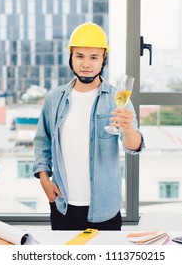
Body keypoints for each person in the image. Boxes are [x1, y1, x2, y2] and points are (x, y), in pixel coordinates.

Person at [33, 22, 144, 231]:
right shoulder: (54, 98)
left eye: (93, 57)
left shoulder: (116, 98)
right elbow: (42, 141)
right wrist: (44, 180)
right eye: (80, 56)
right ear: (71, 58)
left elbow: (134, 148)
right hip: (63, 204)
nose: (86, 64)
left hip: (104, 209)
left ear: (103, 60)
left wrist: (128, 129)